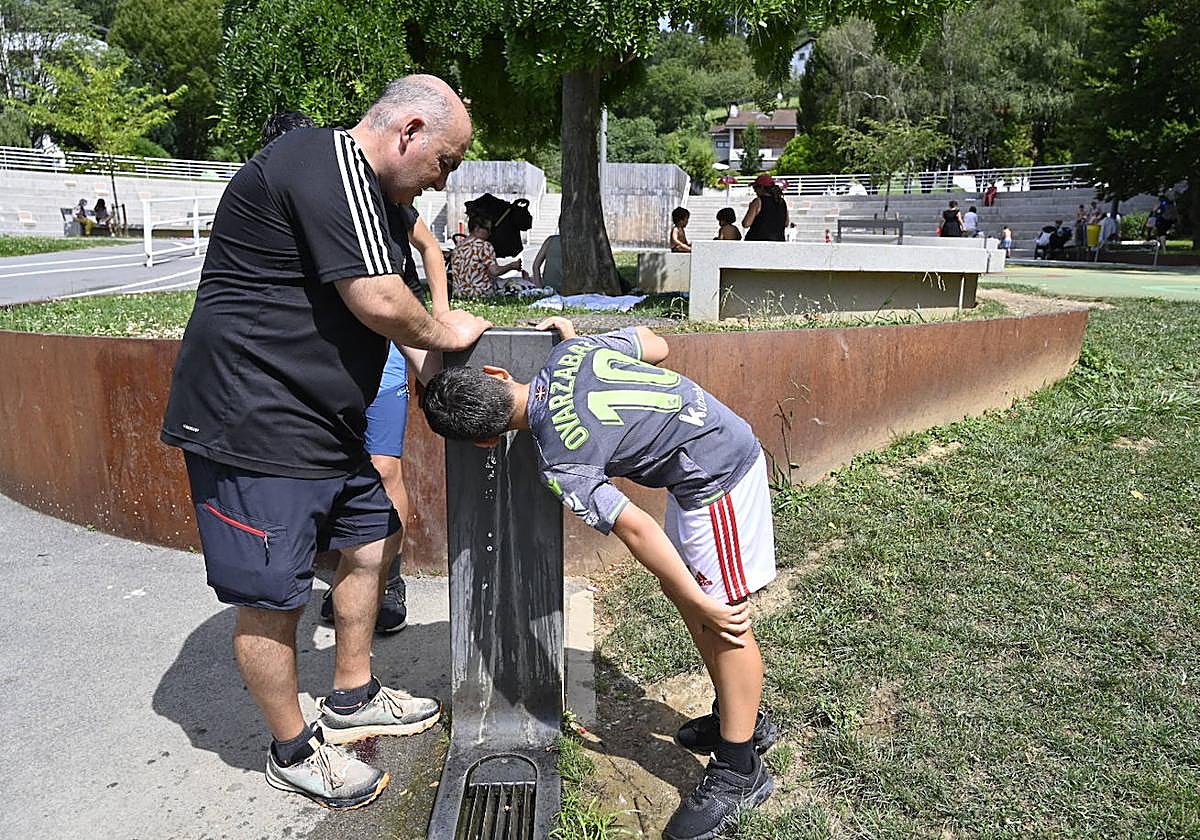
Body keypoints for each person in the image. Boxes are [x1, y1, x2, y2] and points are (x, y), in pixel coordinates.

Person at [160, 75, 491, 811]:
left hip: (320, 420)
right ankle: (291, 750)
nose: (445, 180)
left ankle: (350, 695)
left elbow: (395, 313)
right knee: (271, 597)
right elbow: (379, 301)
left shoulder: (380, 203)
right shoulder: (325, 159)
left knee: (369, 541)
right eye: (446, 160)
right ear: (407, 131)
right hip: (253, 422)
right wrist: (447, 332)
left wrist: (460, 389)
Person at [420, 316, 780, 840]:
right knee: (694, 600)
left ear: (483, 444)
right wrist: (576, 341)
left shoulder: (560, 463)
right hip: (699, 462)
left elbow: (636, 528)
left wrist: (699, 603)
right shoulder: (571, 355)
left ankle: (740, 767)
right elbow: (656, 345)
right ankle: (737, 716)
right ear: (499, 373)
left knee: (723, 620)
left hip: (718, 477)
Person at [259, 108, 434, 636]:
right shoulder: (277, 204)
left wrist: (439, 322)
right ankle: (348, 577)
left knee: (383, 472)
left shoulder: (374, 195)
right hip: (316, 378)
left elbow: (421, 256)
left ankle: (388, 576)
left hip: (379, 361)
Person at [451, 213, 527, 297]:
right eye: (488, 229)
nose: (490, 233)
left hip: (459, 293)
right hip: (481, 292)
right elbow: (495, 271)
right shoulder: (484, 246)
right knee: (521, 283)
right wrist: (512, 266)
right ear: (477, 228)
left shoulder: (458, 246)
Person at [742, 174, 788, 241]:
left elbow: (746, 224)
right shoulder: (782, 202)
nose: (754, 191)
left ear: (762, 187)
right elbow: (786, 223)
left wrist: (750, 209)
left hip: (757, 243)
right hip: (778, 242)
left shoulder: (758, 201)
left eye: (755, 187)